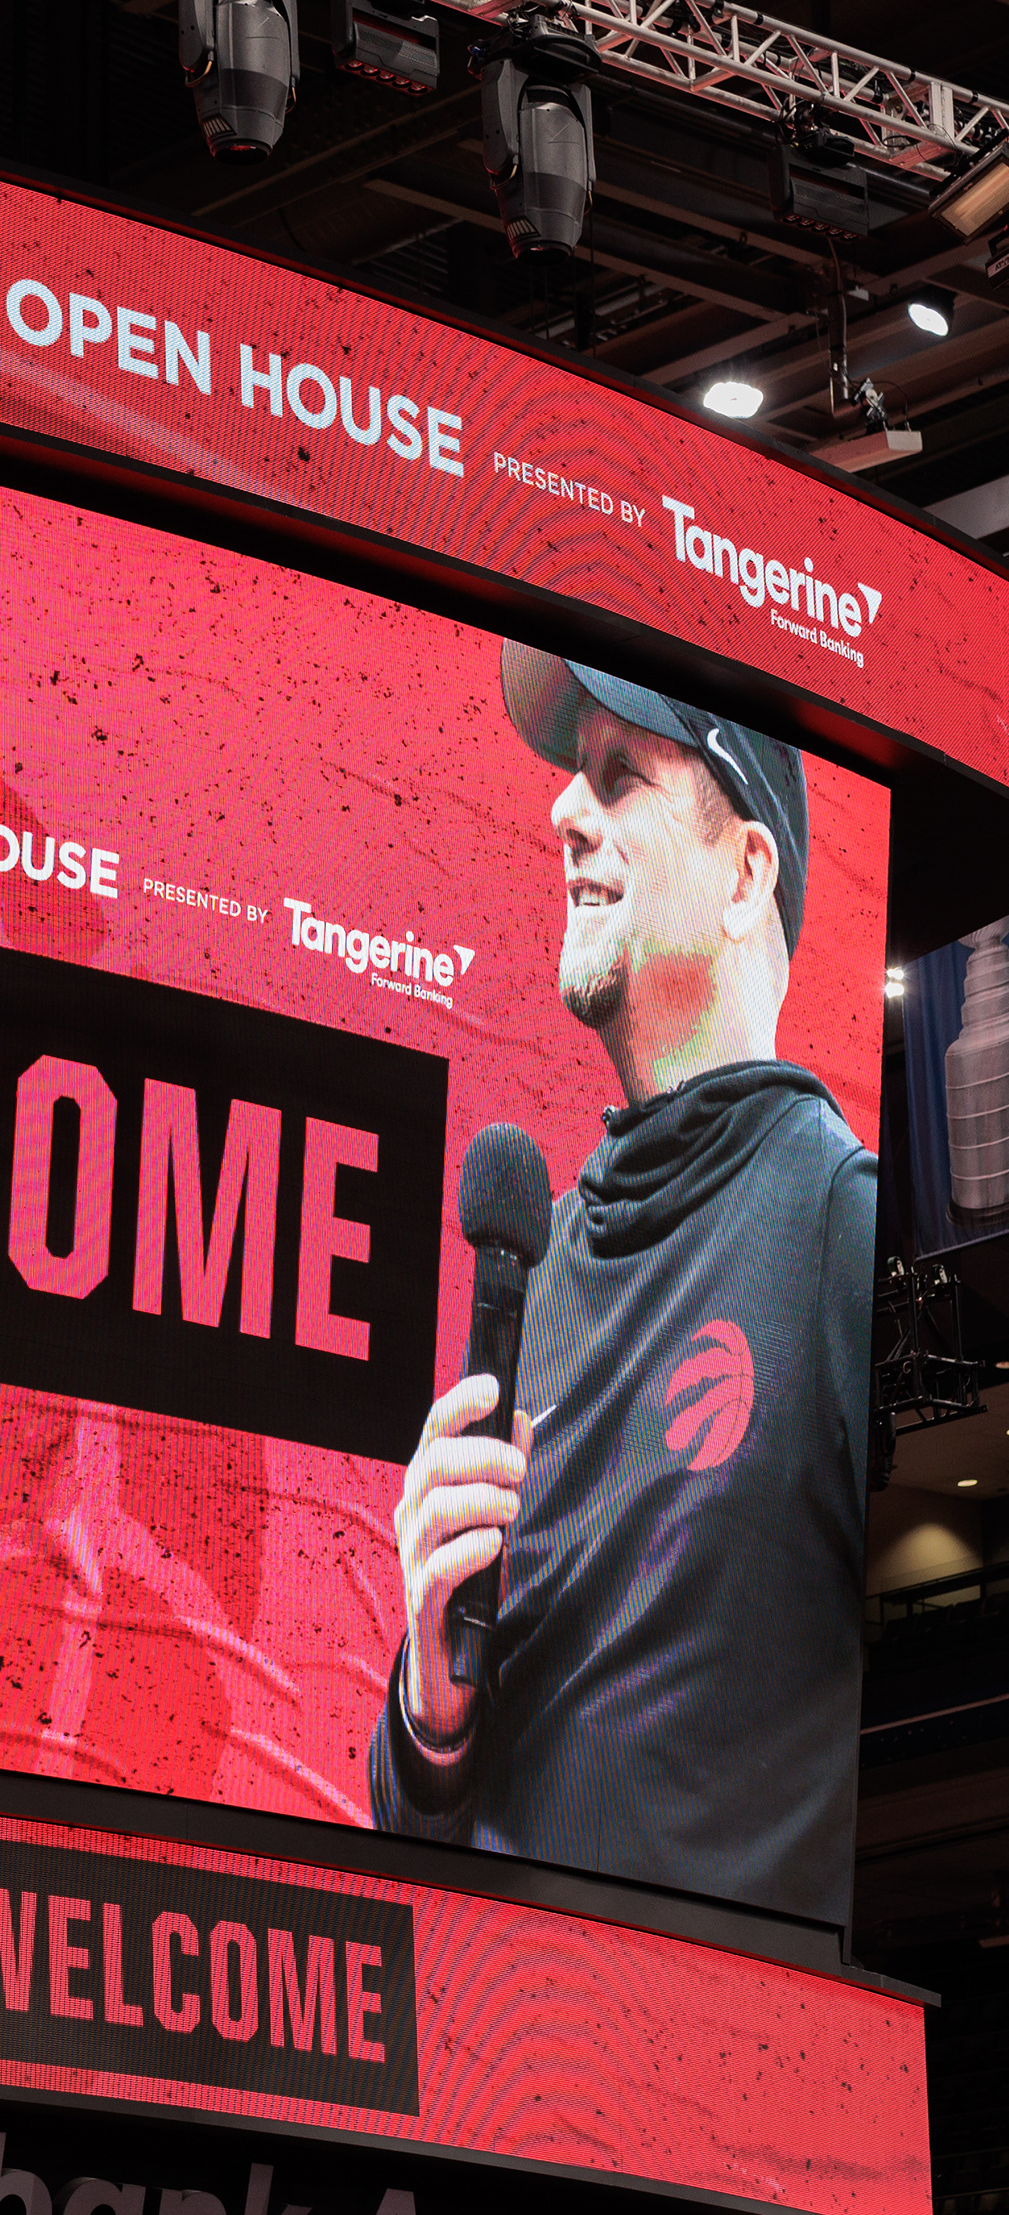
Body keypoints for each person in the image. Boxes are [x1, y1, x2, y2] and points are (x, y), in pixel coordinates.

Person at [367, 645, 875, 1924]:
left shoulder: (847, 1233)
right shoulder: (533, 1269)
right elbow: (420, 1822)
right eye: (572, 774)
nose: (562, 810)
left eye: (619, 776)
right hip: (490, 2032)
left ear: (745, 875)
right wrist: (429, 1708)